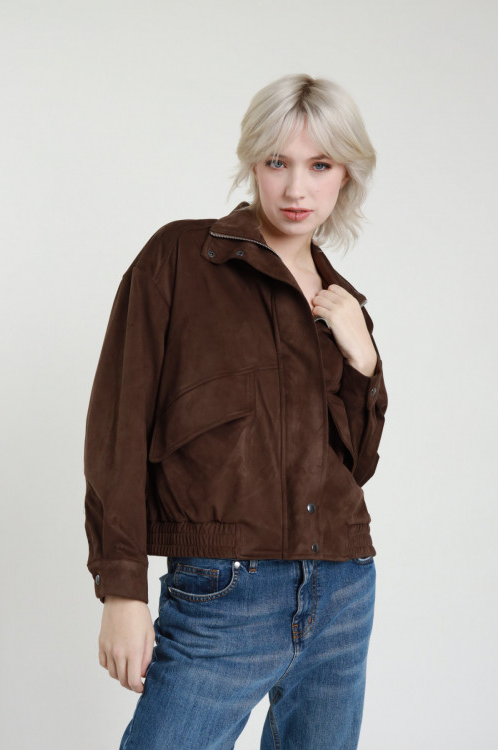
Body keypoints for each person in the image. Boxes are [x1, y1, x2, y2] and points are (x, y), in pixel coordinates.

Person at [84, 73, 388, 750]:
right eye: (278, 162)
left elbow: (358, 466)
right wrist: (122, 588)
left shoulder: (343, 303)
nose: (296, 188)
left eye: (320, 165)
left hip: (343, 588)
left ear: (346, 175)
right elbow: (118, 427)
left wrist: (365, 361)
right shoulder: (180, 259)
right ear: (253, 163)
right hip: (224, 589)